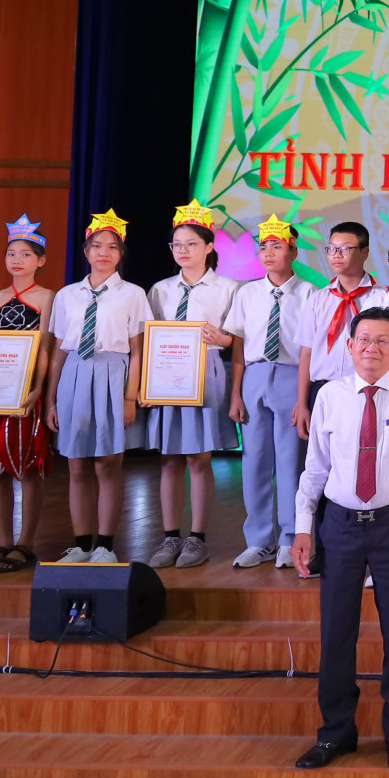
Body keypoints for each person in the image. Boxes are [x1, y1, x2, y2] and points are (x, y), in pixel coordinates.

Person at [292, 308, 389, 771]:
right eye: (364, 340)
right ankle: (336, 732)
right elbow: (315, 467)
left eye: (383, 341)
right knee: (336, 630)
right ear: (349, 345)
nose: (372, 348)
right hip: (338, 524)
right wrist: (304, 527)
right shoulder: (330, 396)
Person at [45, 210, 150, 563]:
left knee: (107, 463)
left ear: (121, 254)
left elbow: (138, 352)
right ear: (86, 251)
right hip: (75, 373)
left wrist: (129, 397)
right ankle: (82, 544)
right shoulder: (67, 295)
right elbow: (59, 354)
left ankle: (105, 545)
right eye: (96, 245)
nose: (103, 252)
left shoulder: (132, 294)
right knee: (76, 464)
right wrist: (51, 401)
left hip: (112, 374)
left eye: (112, 247)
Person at [145, 201, 240, 570]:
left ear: (209, 246)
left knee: (198, 458)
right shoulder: (160, 290)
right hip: (166, 377)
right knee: (169, 459)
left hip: (205, 375)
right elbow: (149, 339)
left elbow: (236, 340)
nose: (183, 251)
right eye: (177, 245)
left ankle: (197, 538)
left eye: (191, 244)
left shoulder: (228, 289)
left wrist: (223, 337)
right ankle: (170, 537)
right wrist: (147, 386)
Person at [223, 212, 317, 569]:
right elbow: (238, 346)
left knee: (291, 462)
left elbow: (309, 348)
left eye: (276, 246)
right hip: (255, 376)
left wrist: (303, 397)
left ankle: (290, 538)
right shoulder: (247, 293)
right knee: (255, 461)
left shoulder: (310, 293)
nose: (268, 253)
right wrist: (236, 394)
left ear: (293, 251)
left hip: (293, 376)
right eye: (263, 247)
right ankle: (258, 539)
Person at [0, 216, 54, 573]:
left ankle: (26, 542)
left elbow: (45, 347)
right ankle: (3, 541)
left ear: (41, 260)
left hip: (27, 391)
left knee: (29, 467)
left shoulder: (49, 298)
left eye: (26, 254)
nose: (17, 260)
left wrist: (36, 389)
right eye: (11, 253)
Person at [293, 221, 385, 437]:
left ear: (365, 252)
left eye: (345, 249)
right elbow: (307, 352)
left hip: (366, 391)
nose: (336, 254)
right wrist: (302, 402)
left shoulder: (381, 299)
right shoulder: (318, 299)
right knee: (321, 462)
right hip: (322, 390)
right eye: (331, 248)